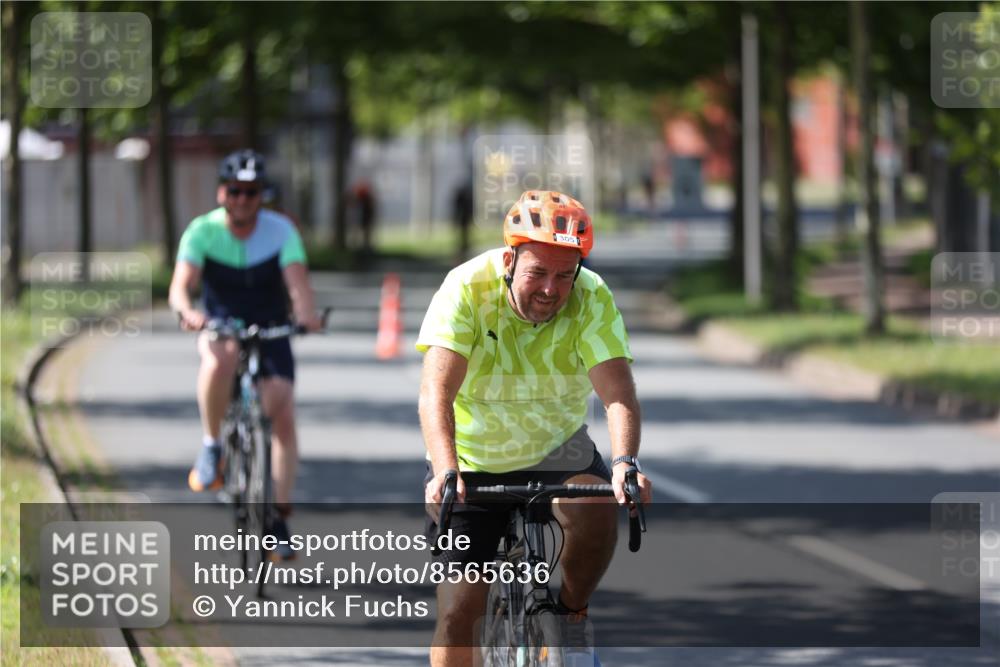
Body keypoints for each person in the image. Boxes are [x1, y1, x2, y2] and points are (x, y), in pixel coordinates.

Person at [417, 190, 652, 666]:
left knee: (597, 506)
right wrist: (445, 470)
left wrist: (625, 462)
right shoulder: (465, 289)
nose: (551, 289)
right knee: (459, 614)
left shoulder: (592, 297)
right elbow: (435, 394)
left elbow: (618, 395)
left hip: (557, 449)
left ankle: (572, 619)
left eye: (565, 275)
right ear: (508, 260)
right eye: (537, 273)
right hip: (474, 458)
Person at [168, 149, 321, 560]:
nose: (242, 199)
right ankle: (212, 445)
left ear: (261, 195)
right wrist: (188, 311)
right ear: (222, 193)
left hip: (270, 324)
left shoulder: (280, 231)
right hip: (219, 321)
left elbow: (298, 285)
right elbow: (181, 286)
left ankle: (278, 516)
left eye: (251, 192)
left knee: (282, 415)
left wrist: (305, 316)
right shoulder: (202, 231)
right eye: (234, 191)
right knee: (218, 359)